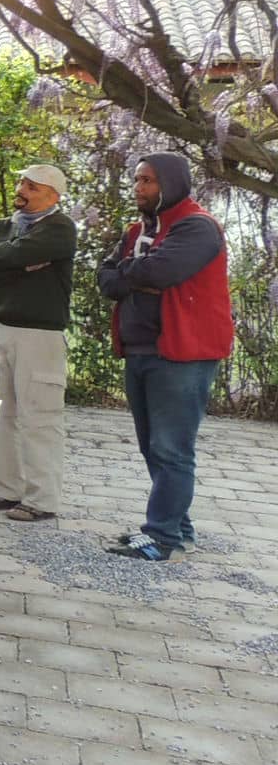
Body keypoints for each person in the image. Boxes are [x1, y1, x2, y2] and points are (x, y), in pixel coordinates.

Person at [97, 153, 231, 562]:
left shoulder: (197, 226)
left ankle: (161, 537)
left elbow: (161, 273)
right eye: (137, 179)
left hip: (181, 353)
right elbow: (106, 279)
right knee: (153, 448)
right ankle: (178, 528)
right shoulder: (138, 229)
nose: (139, 188)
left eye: (148, 181)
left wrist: (131, 273)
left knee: (172, 449)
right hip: (140, 349)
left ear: (171, 183)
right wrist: (134, 274)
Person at [0, 164, 77, 523]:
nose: (22, 190)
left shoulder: (60, 228)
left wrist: (7, 259)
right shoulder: (3, 227)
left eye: (33, 186)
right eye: (22, 182)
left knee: (39, 416)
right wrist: (19, 262)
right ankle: (4, 490)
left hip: (39, 335)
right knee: (1, 413)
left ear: (54, 196)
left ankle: (42, 499)